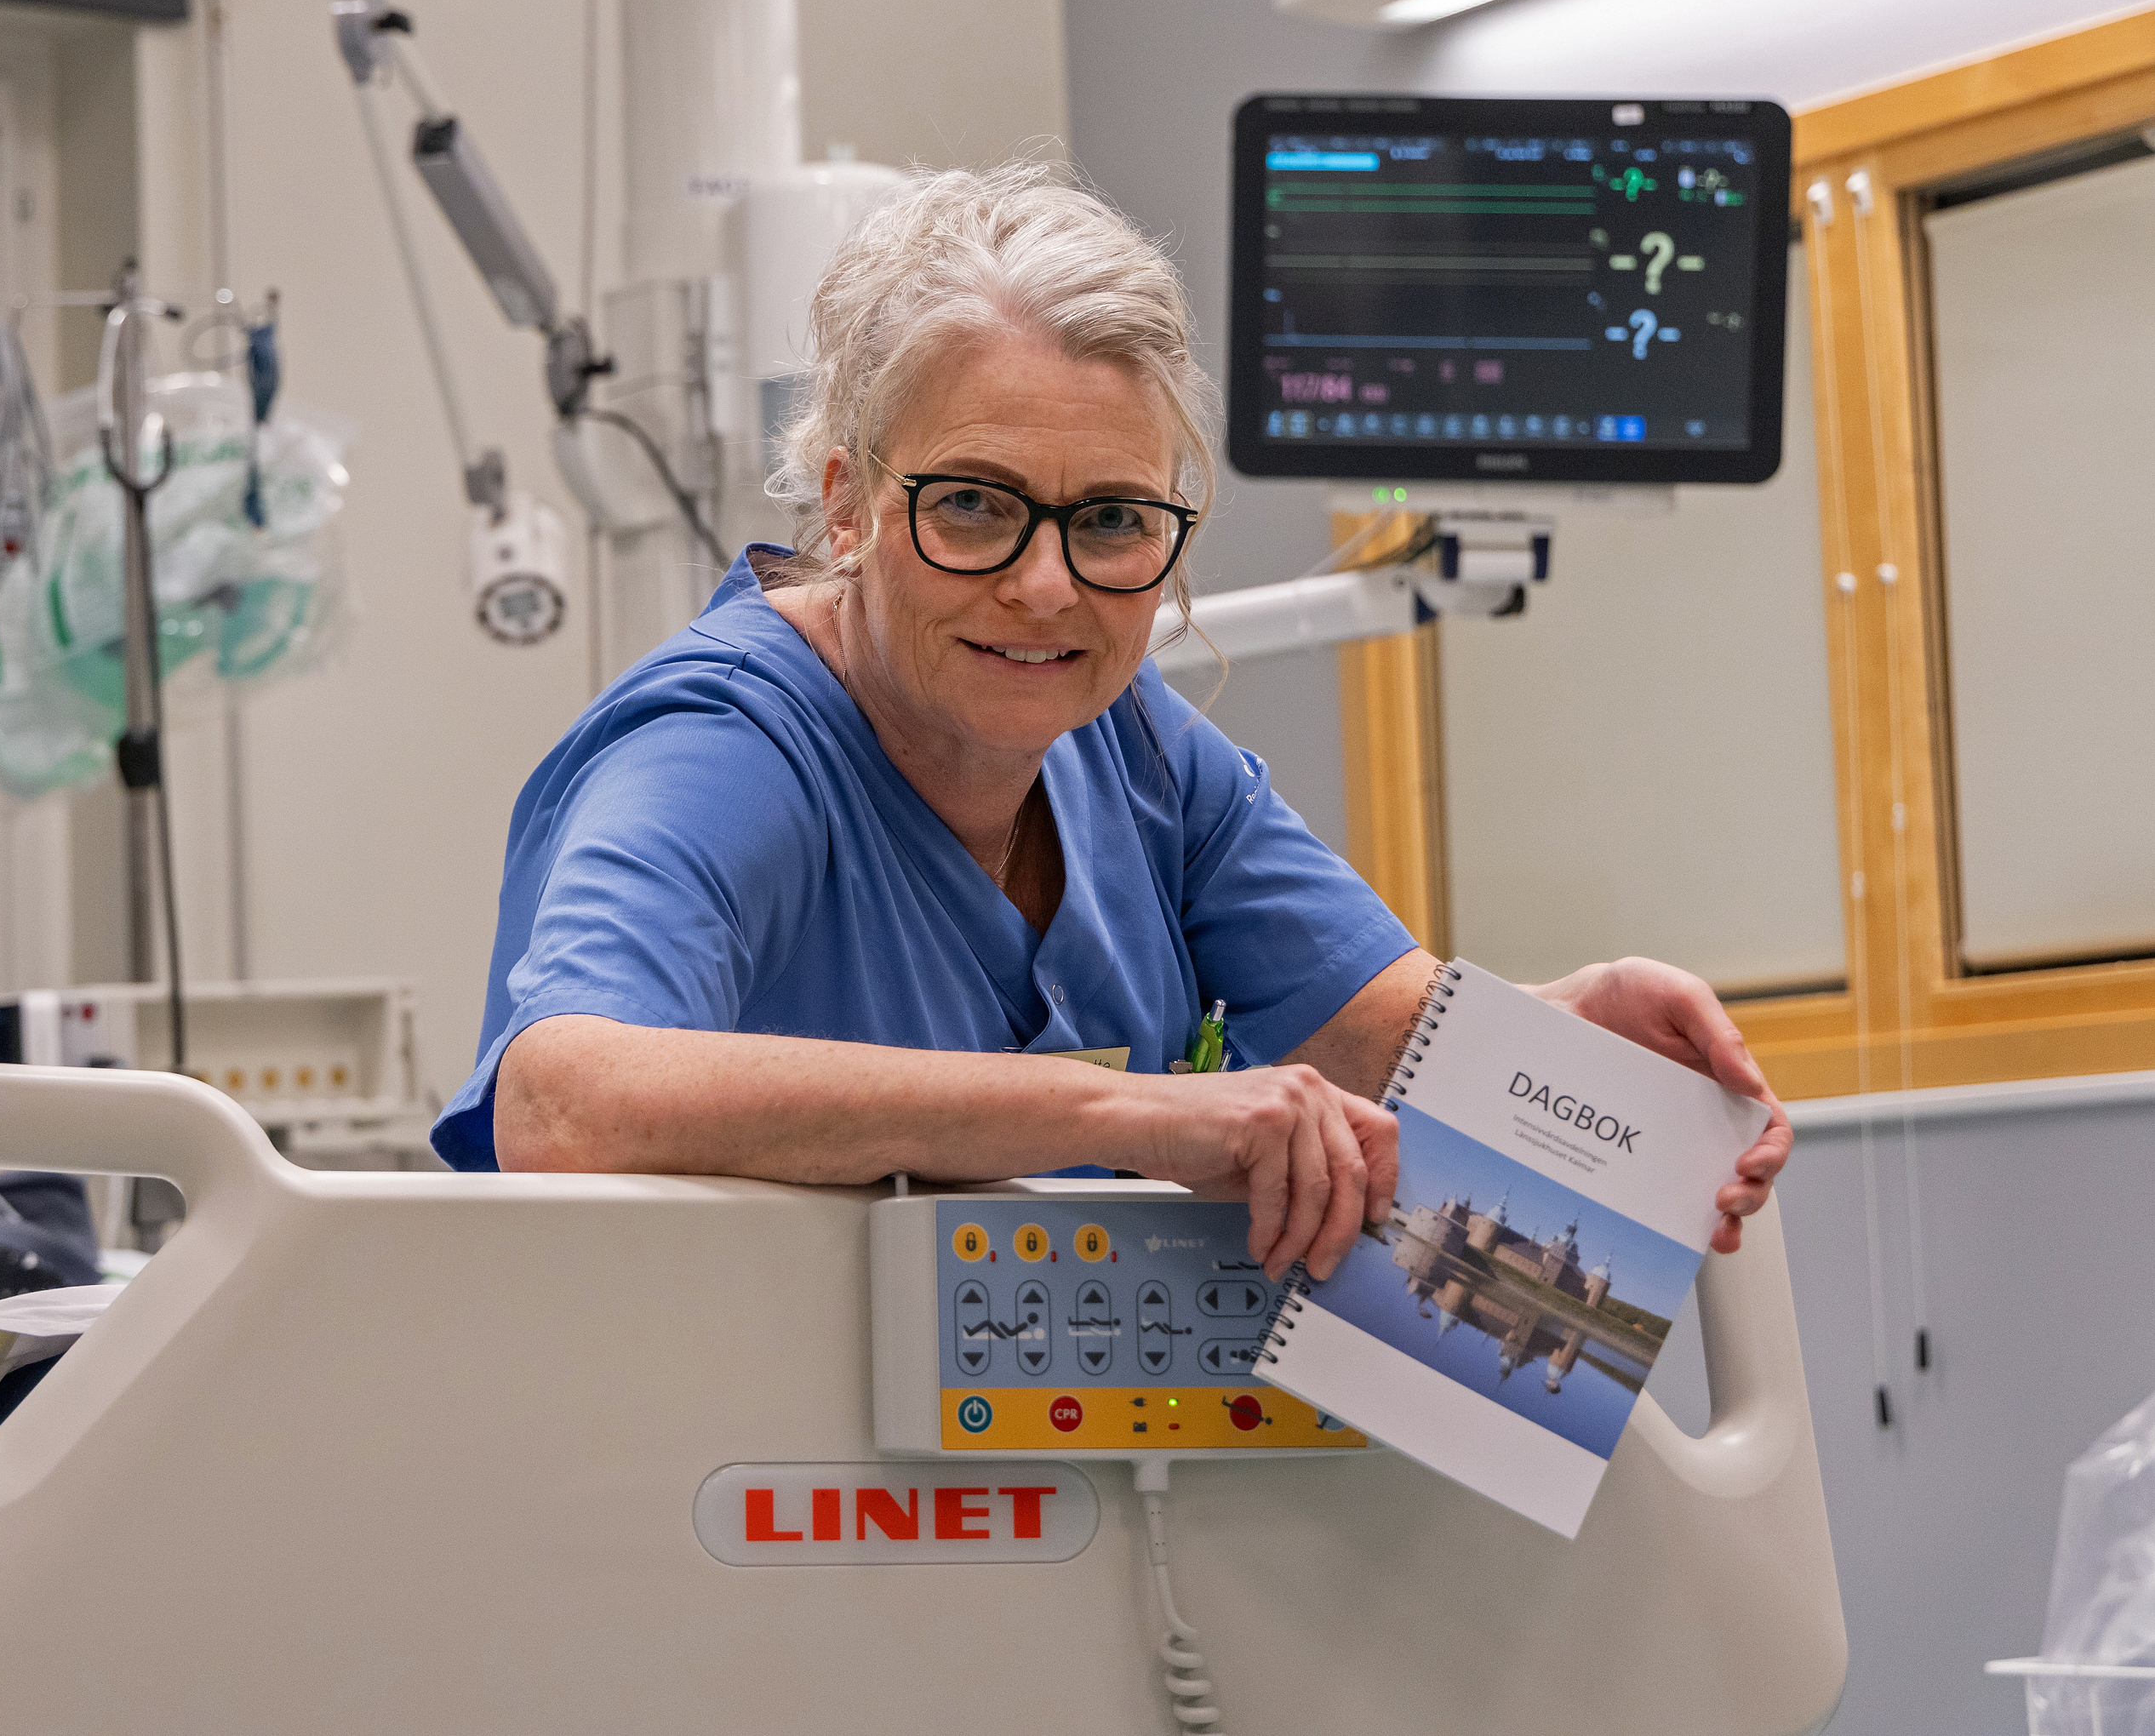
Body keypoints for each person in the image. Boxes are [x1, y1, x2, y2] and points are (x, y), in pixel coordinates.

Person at [431, 162, 1791, 1283]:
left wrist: (1569, 1037)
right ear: (846, 502)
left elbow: (1382, 1035)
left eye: (1113, 522)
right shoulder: (728, 750)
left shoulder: (1135, 752)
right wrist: (1129, 1114)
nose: (1045, 585)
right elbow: (566, 1103)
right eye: (973, 503)